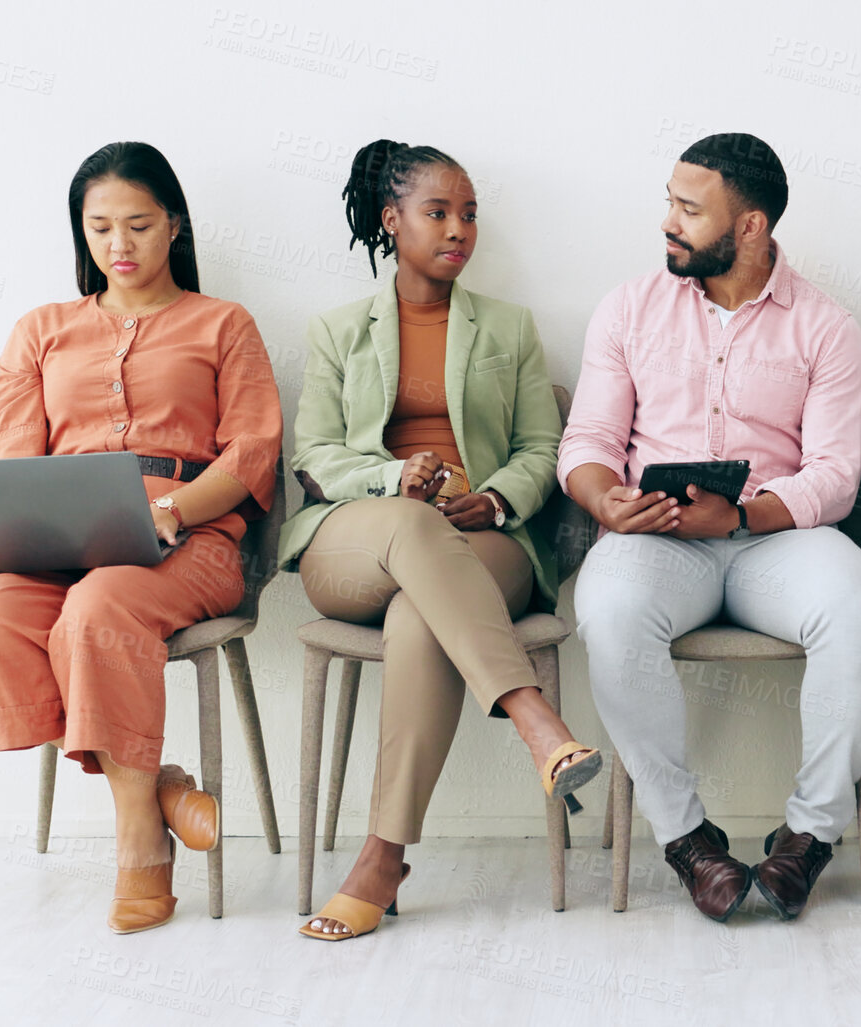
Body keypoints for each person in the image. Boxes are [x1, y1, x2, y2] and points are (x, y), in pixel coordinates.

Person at [0, 142, 283, 934]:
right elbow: (3, 452)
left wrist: (172, 511)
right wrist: (38, 521)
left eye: (138, 224)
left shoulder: (223, 323)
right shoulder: (41, 329)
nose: (119, 245)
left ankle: (141, 848)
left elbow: (252, 452)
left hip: (189, 536)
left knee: (98, 609)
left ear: (175, 224)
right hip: (59, 535)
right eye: (99, 228)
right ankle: (152, 787)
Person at [561, 132, 861, 923]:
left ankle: (808, 836)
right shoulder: (629, 308)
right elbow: (588, 442)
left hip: (776, 540)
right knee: (606, 610)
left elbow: (834, 476)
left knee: (857, 605)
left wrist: (742, 514)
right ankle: (686, 837)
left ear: (749, 227)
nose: (668, 222)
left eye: (688, 208)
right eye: (669, 203)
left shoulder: (826, 326)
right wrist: (604, 499)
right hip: (656, 541)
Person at [282, 140, 600, 941]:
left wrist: (494, 499)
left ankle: (381, 858)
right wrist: (394, 479)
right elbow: (315, 453)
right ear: (392, 221)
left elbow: (542, 448)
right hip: (355, 538)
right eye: (437, 212)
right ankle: (535, 721)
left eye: (469, 214)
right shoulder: (335, 331)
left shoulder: (508, 327)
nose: (458, 228)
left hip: (480, 540)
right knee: (409, 527)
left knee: (421, 616)